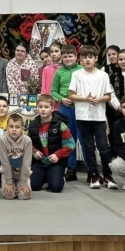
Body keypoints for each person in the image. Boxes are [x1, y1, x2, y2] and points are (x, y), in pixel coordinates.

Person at [68, 46, 114, 189]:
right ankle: (94, 175)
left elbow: (108, 96)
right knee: (88, 147)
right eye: (84, 57)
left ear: (96, 58)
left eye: (90, 57)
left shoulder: (103, 75)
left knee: (103, 147)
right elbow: (71, 95)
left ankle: (107, 175)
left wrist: (99, 99)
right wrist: (86, 99)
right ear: (80, 59)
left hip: (99, 116)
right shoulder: (77, 74)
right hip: (82, 115)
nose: (87, 60)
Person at [28, 94, 76, 193]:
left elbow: (70, 145)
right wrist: (34, 152)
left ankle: (59, 176)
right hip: (40, 161)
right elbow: (27, 143)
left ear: (52, 108)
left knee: (56, 187)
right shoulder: (33, 125)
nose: (43, 110)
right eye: (40, 107)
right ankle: (45, 176)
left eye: (46, 107)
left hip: (56, 161)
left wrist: (57, 155)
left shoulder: (60, 125)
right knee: (33, 186)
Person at [50, 44, 83, 182]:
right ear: (61, 58)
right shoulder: (59, 72)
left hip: (81, 108)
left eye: (70, 56)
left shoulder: (82, 70)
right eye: (65, 57)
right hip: (65, 109)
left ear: (76, 57)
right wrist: (61, 99)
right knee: (68, 139)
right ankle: (71, 169)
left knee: (84, 138)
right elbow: (53, 91)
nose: (68, 59)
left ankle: (91, 170)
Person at [0, 114, 33, 200]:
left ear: (22, 128)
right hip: (7, 173)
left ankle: (18, 185)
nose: (14, 129)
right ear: (7, 127)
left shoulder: (27, 140)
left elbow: (27, 163)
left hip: (22, 174)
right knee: (9, 195)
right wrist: (9, 183)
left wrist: (24, 183)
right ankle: (13, 185)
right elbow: (5, 162)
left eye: (17, 127)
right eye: (11, 126)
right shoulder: (2, 140)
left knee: (24, 195)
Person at [107, 49, 125, 148]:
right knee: (119, 134)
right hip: (118, 111)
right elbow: (111, 94)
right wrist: (119, 107)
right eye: (120, 59)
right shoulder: (112, 77)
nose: (123, 62)